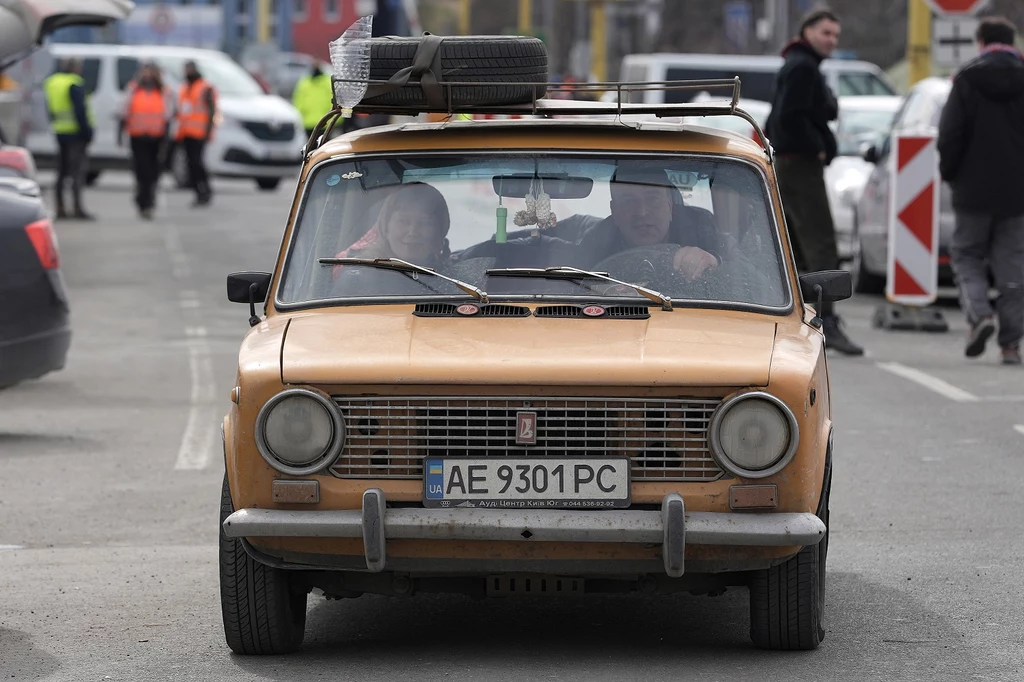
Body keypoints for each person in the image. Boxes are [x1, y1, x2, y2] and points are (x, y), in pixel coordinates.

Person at [764, 7, 863, 356]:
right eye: (825, 33)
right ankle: (827, 320)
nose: (831, 41)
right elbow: (790, 116)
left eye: (835, 35)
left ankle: (798, 315)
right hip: (800, 163)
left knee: (791, 242)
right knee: (821, 243)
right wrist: (816, 146)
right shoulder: (803, 67)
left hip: (791, 162)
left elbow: (783, 115)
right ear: (807, 32)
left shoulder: (799, 64)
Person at [937, 16, 1024, 366]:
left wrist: (951, 174)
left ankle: (980, 315)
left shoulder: (967, 78)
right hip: (1018, 192)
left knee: (967, 255)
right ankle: (1011, 345)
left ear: (981, 41)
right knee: (1013, 263)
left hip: (972, 188)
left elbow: (951, 133)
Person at [331, 182, 452, 285]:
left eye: (424, 223)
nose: (413, 232)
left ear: (439, 233)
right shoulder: (357, 279)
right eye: (403, 221)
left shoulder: (455, 281)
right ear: (386, 229)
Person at [42, 58, 94, 220]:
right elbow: (80, 111)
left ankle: (60, 208)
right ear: (76, 67)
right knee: (77, 173)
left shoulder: (53, 83)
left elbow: (49, 108)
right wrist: (88, 133)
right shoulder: (74, 83)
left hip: (60, 132)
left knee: (61, 172)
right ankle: (77, 208)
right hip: (76, 134)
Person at [119, 62, 171, 219]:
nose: (147, 76)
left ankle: (149, 200)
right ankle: (143, 201)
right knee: (141, 171)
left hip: (156, 137)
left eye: (150, 72)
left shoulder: (164, 91)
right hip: (138, 136)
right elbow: (124, 111)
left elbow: (168, 115)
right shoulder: (133, 89)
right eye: (145, 72)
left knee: (153, 172)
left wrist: (167, 139)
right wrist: (120, 135)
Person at [175, 60, 216, 207]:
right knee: (191, 164)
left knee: (197, 163)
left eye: (189, 69)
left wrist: (208, 131)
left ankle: (205, 190)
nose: (187, 72)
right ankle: (199, 192)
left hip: (199, 134)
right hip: (186, 133)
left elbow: (211, 110)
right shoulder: (185, 87)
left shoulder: (205, 87)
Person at [292, 62, 334, 139]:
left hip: (324, 122)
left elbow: (333, 101)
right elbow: (298, 100)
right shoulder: (305, 82)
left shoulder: (326, 82)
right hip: (310, 123)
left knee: (320, 148)